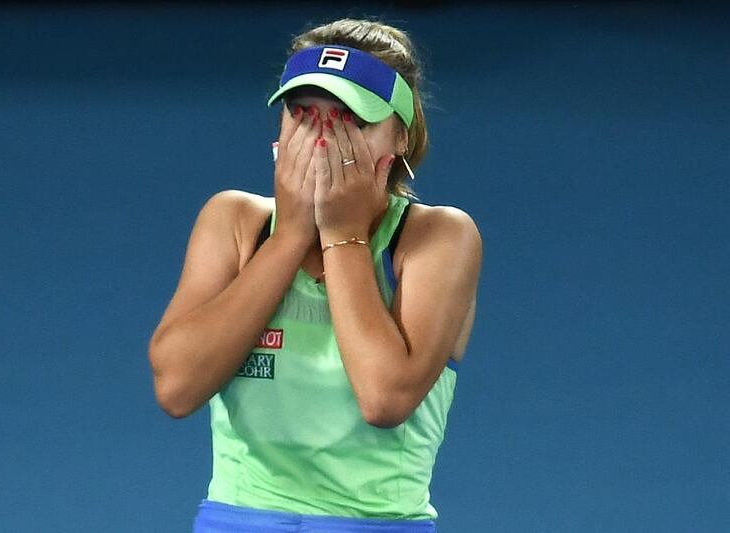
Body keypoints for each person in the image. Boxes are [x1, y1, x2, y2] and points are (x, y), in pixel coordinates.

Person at [148, 18, 482, 533]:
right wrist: (288, 239)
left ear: (401, 134)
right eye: (302, 115)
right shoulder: (235, 221)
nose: (322, 140)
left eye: (350, 119)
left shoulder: (438, 236)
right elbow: (176, 388)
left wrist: (341, 234)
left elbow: (384, 398)